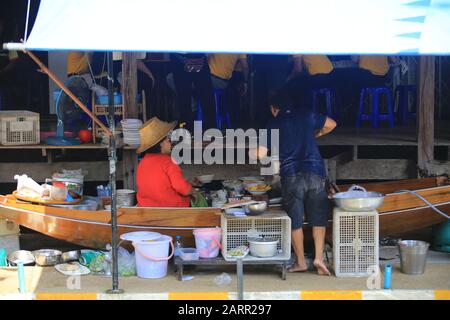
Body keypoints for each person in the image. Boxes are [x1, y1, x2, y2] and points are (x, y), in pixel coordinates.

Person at [250, 88, 336, 275]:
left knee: (295, 219)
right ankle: (319, 259)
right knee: (318, 217)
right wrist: (316, 135)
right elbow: (332, 124)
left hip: (291, 175)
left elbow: (260, 154)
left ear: (274, 108)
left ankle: (300, 262)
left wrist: (252, 151)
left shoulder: (273, 123)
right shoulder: (307, 115)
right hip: (315, 172)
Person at [136, 117, 199, 207]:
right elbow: (180, 187)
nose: (170, 142)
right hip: (171, 210)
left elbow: (159, 184)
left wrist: (187, 182)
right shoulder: (168, 162)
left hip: (147, 208)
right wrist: (192, 191)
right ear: (161, 144)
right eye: (167, 140)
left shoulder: (142, 162)